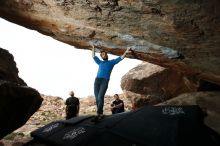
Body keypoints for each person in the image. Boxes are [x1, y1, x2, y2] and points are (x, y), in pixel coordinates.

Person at [91, 44, 131, 119]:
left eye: (105, 54)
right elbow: (93, 56)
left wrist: (126, 51)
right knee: (97, 97)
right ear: (101, 57)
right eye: (102, 54)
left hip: (105, 80)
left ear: (107, 55)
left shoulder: (111, 62)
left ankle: (98, 113)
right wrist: (93, 47)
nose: (104, 55)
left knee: (100, 96)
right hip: (97, 80)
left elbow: (121, 58)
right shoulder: (100, 62)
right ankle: (100, 113)